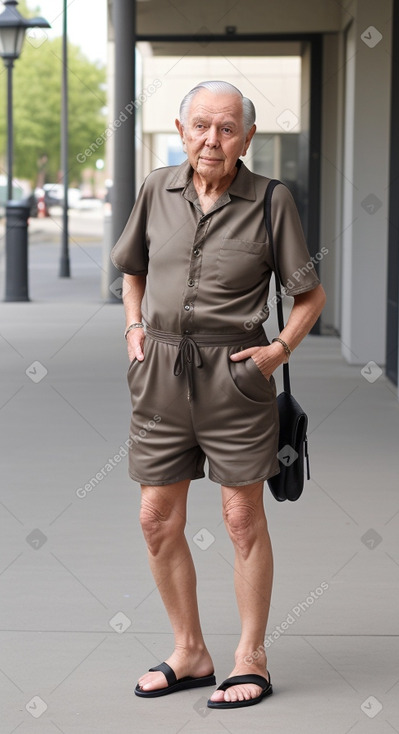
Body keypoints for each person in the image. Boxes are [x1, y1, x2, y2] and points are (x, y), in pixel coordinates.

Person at [111, 80, 326, 709]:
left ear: (247, 138)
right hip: (160, 373)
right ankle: (190, 652)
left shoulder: (271, 200)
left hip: (235, 374)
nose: (212, 139)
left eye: (227, 128)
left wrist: (278, 350)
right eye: (201, 126)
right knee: (156, 519)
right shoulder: (156, 189)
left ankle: (250, 659)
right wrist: (133, 328)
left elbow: (309, 295)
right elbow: (134, 269)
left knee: (240, 520)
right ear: (181, 131)